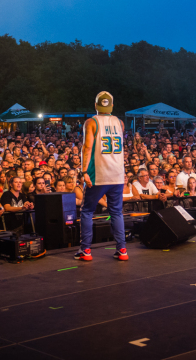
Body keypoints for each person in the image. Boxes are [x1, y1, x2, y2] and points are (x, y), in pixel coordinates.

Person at [77, 91, 128, 262]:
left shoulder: (91, 122)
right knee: (116, 212)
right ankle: (122, 249)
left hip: (98, 174)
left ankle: (85, 250)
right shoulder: (120, 123)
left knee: (87, 211)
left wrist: (84, 172)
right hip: (117, 174)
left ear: (95, 105)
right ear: (112, 106)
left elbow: (87, 148)